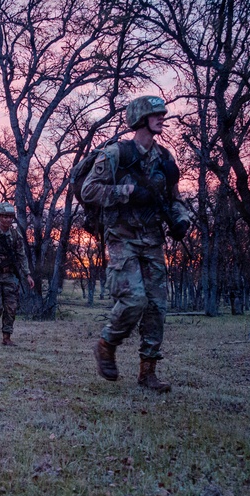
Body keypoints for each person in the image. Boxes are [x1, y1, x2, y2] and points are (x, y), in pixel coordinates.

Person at [81, 95, 191, 391]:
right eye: (156, 114)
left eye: (162, 115)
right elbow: (88, 190)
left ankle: (148, 372)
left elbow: (175, 199)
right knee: (134, 299)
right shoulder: (116, 154)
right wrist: (125, 192)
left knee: (156, 307)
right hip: (122, 238)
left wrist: (182, 220)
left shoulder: (165, 159)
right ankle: (106, 344)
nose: (161, 119)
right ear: (140, 119)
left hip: (153, 240)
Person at [0, 202, 35, 346]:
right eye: (5, 217)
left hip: (9, 276)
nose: (8, 220)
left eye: (11, 217)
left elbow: (21, 255)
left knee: (11, 307)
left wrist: (27, 274)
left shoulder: (15, 235)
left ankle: (6, 337)